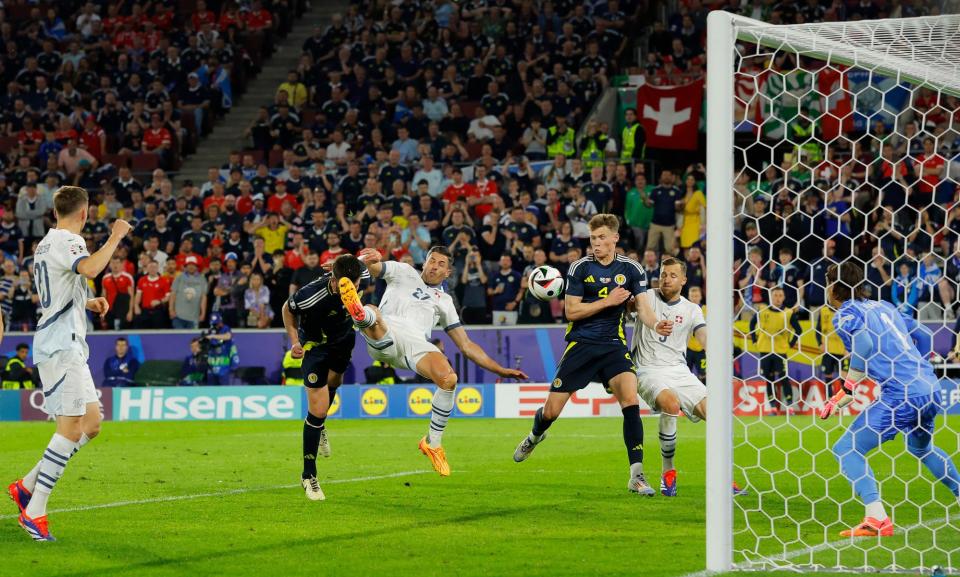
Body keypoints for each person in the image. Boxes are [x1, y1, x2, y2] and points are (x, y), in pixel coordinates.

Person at [512, 214, 673, 495]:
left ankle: (637, 475)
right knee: (551, 411)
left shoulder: (632, 269)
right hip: (581, 345)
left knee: (630, 400)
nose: (596, 244)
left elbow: (644, 308)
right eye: (593, 238)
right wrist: (607, 301)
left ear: (615, 239)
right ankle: (535, 435)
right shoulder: (579, 268)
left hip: (613, 344)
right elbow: (571, 311)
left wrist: (656, 323)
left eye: (601, 238)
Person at [337, 246, 527, 476]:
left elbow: (466, 345)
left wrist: (500, 369)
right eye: (431, 261)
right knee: (373, 312)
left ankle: (433, 443)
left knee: (449, 379)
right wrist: (361, 262)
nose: (434, 266)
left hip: (416, 344)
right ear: (424, 262)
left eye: (441, 264)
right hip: (387, 335)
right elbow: (372, 267)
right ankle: (359, 312)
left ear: (448, 273)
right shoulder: (404, 271)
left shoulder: (445, 301)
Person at [9, 185, 132, 541]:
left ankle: (27, 486)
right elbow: (91, 268)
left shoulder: (45, 244)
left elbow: (61, 288)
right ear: (85, 212)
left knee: (91, 424)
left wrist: (87, 303)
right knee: (70, 428)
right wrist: (115, 237)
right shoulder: (68, 241)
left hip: (64, 341)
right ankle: (35, 512)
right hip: (62, 346)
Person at [819, 262, 960, 537]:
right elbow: (923, 333)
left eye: (827, 283)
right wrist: (918, 368)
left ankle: (876, 519)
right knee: (922, 449)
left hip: (902, 395)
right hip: (929, 387)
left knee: (847, 448)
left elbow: (864, 344)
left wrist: (848, 388)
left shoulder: (846, 313)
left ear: (835, 288)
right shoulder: (883, 306)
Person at [631, 259, 746, 497]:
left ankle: (724, 477)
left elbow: (702, 335)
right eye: (663, 274)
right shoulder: (646, 297)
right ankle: (668, 471)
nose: (666, 279)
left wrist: (714, 351)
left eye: (673, 275)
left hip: (679, 371)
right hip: (648, 369)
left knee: (716, 416)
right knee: (670, 403)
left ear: (683, 280)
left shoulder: (692, 309)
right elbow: (626, 309)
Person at [282, 254, 370, 500]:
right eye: (350, 284)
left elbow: (365, 264)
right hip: (315, 347)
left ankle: (319, 426)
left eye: (356, 284)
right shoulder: (310, 295)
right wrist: (294, 341)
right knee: (318, 411)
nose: (356, 288)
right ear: (336, 280)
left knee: (336, 382)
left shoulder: (356, 276)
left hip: (343, 340)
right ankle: (308, 475)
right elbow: (287, 311)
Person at [749, 286, 803, 415]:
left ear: (784, 297)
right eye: (775, 295)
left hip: (780, 350)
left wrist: (791, 343)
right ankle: (772, 407)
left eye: (780, 295)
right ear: (771, 297)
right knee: (769, 379)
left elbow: (799, 330)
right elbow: (752, 324)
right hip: (765, 350)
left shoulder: (788, 313)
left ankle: (790, 406)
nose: (777, 298)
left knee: (784, 377)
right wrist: (754, 340)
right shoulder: (762, 310)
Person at [169, 255, 207, 329]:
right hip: (178, 316)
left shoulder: (202, 279)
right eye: (189, 265)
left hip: (194, 317)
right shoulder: (179, 277)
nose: (191, 267)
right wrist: (171, 310)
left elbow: (203, 297)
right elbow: (173, 294)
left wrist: (203, 313)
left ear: (196, 266)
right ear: (185, 266)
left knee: (192, 339)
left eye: (193, 265)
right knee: (179, 338)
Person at [203, 312, 238, 385]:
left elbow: (228, 336)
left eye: (217, 323)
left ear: (220, 321)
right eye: (214, 324)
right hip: (212, 366)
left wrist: (213, 336)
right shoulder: (211, 330)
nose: (215, 325)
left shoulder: (226, 328)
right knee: (211, 390)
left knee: (224, 391)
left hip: (223, 367)